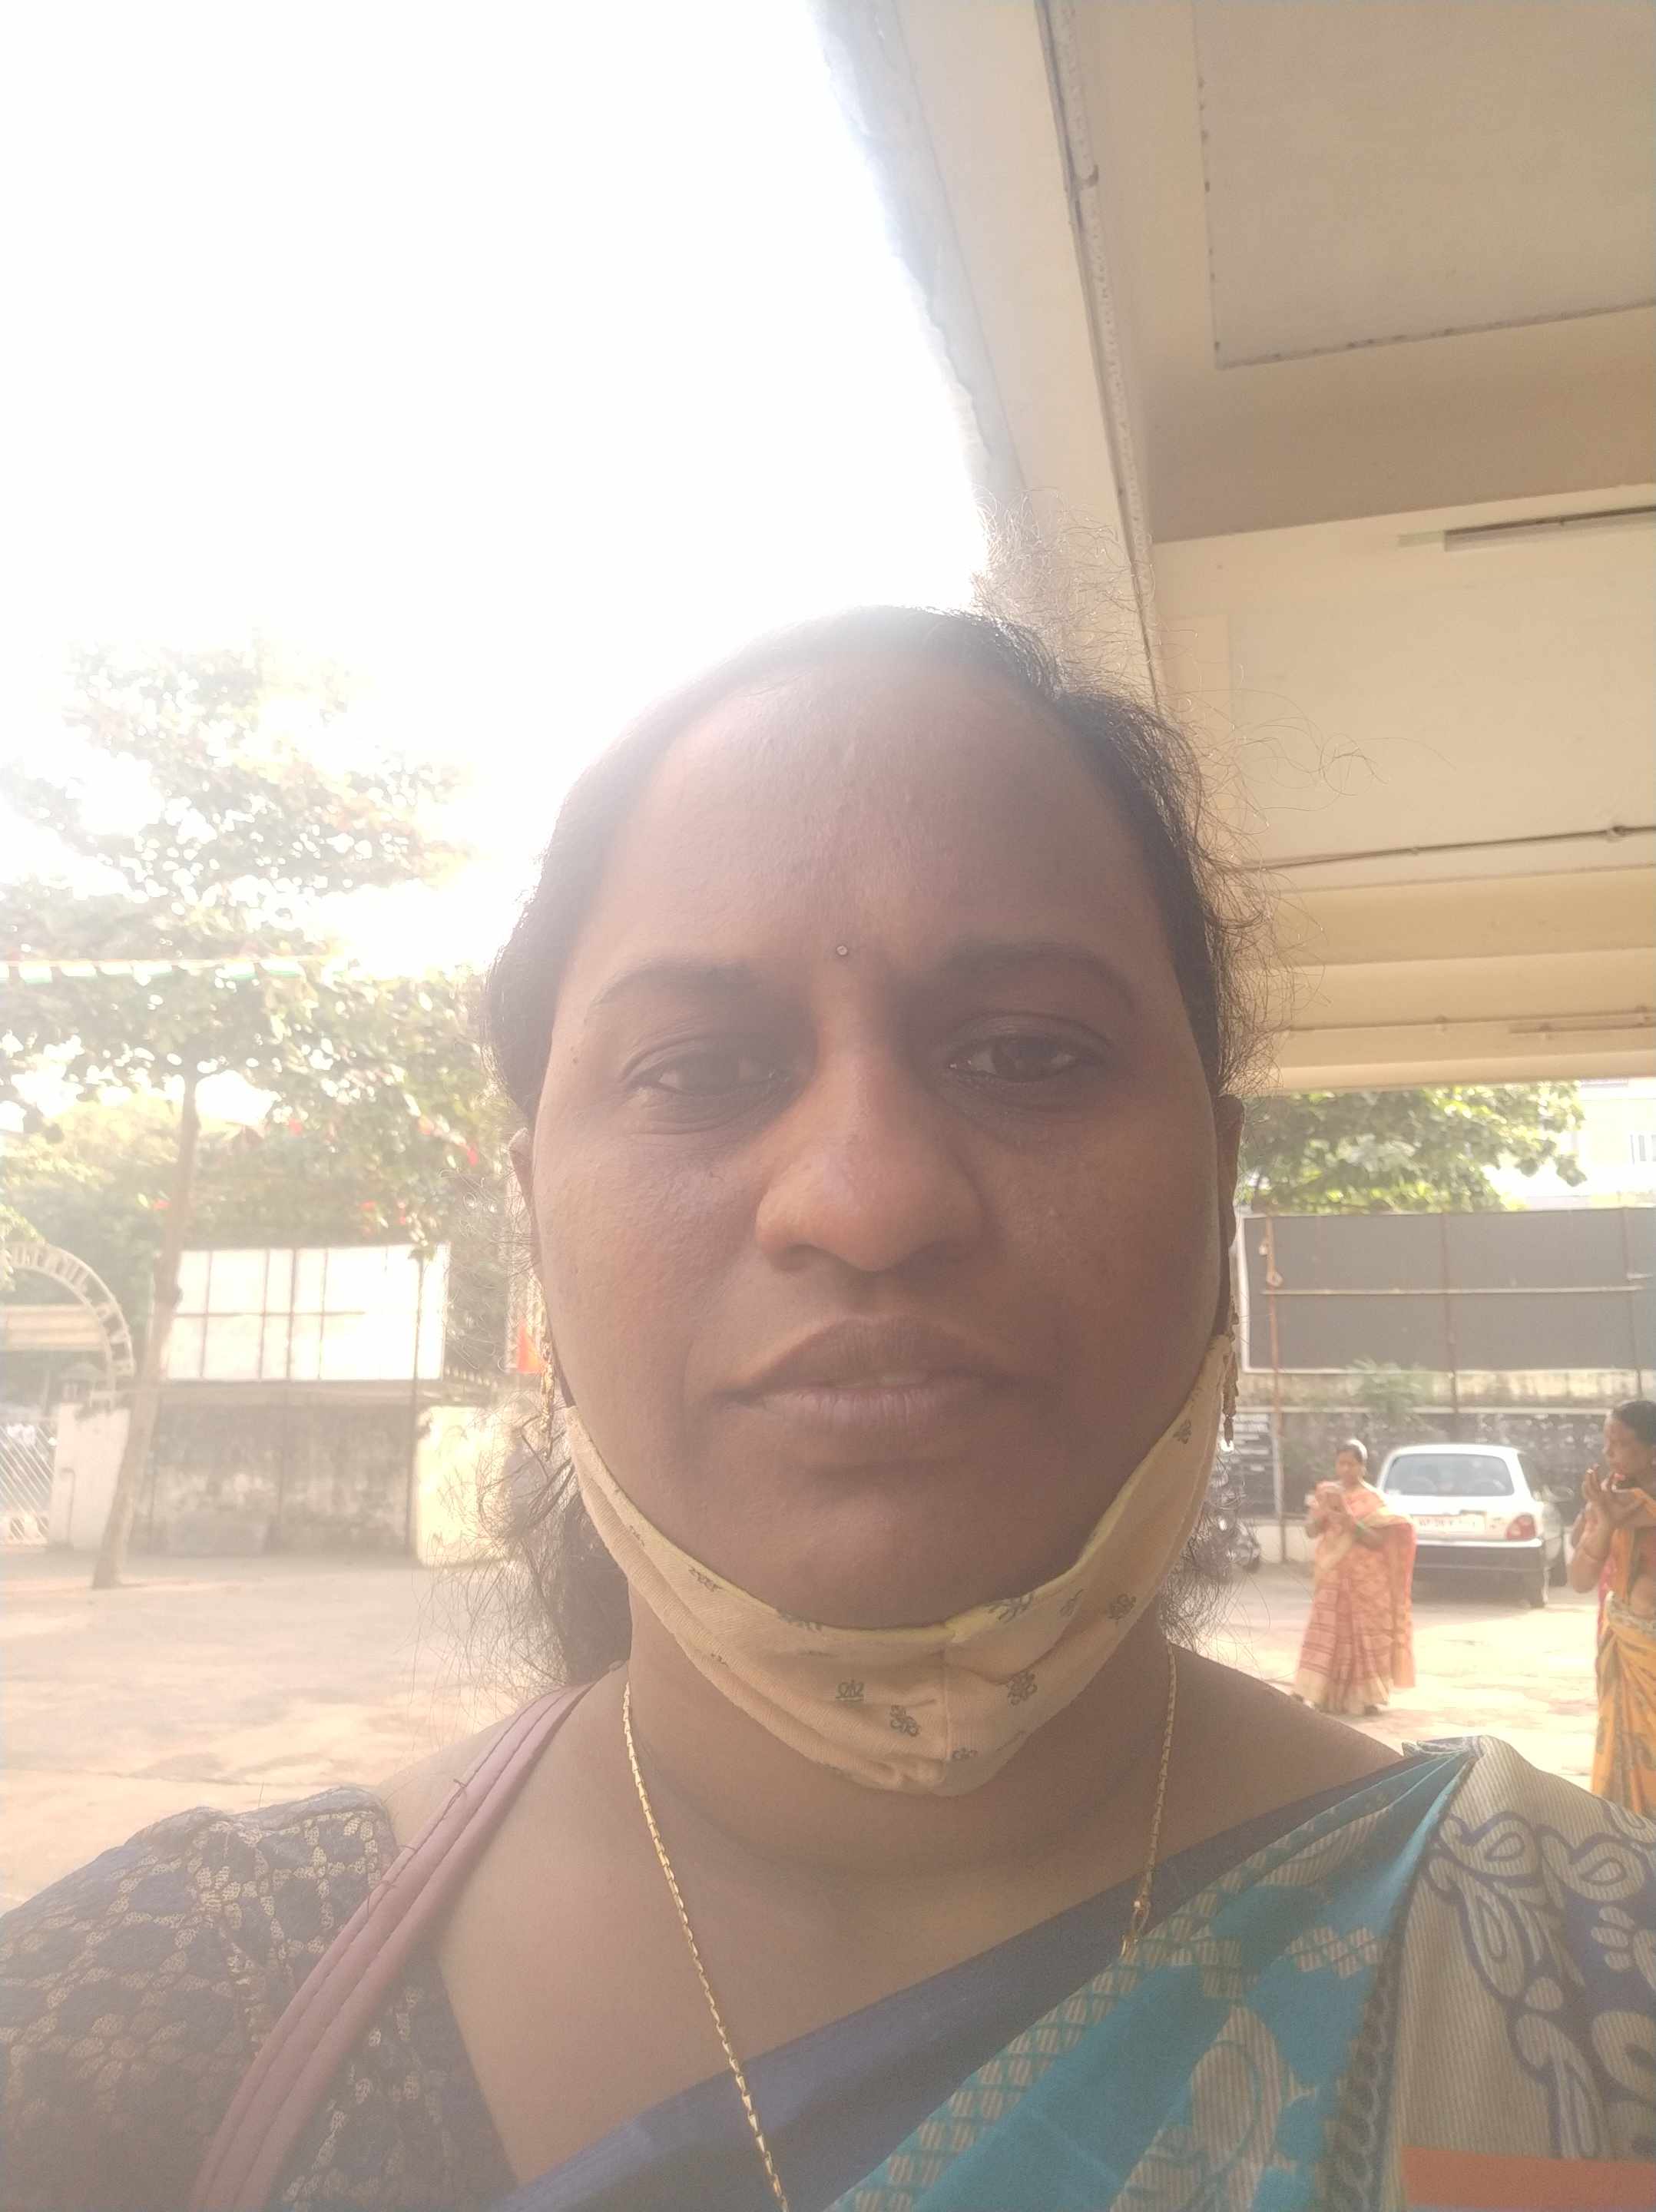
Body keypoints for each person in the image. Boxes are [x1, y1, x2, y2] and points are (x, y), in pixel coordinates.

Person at [3, 608, 1652, 2210]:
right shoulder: (147, 2025)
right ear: (534, 1225)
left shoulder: (1582, 2000)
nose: (866, 1201)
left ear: (1217, 1184)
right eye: (696, 1070)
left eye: (1028, 1055)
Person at [1569, 1398, 1656, 1813]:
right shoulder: (1611, 1499)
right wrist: (1603, 1520)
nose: (1608, 1454)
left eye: (1619, 1444)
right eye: (1607, 1442)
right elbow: (1580, 1580)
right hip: (1627, 1649)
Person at [1293, 1439, 1416, 1718]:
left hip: (1366, 1581)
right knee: (1325, 1633)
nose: (1345, 1469)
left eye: (1351, 1464)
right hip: (1332, 1575)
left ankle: (1366, 1698)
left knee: (1365, 1637)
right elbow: (1311, 1531)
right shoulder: (1326, 1493)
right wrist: (1323, 1514)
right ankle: (1315, 1692)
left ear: (1363, 1467)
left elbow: (1377, 1541)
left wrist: (1351, 1521)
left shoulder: (1375, 1501)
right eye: (1341, 1464)